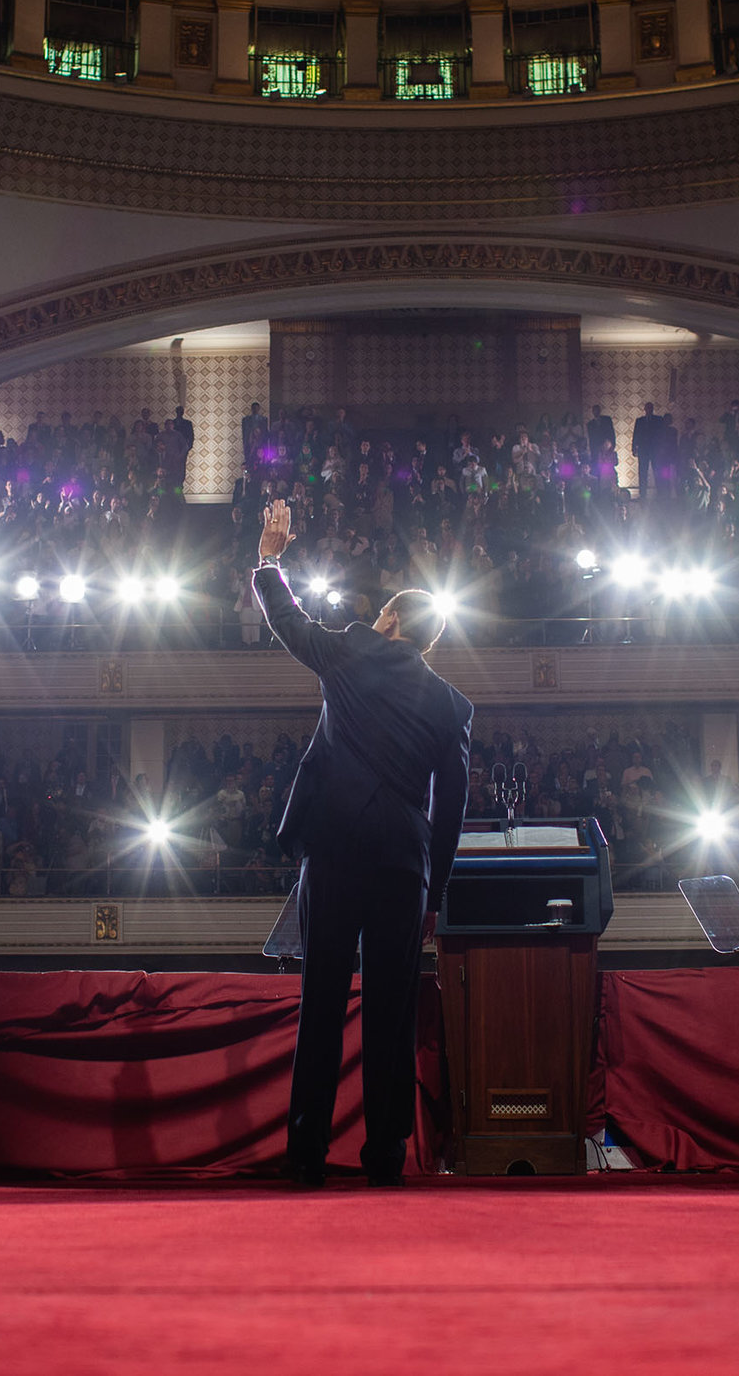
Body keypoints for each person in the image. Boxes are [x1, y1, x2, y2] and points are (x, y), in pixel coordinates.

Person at [251, 498, 471, 1189]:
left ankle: (306, 1156)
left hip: (337, 850)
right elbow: (452, 812)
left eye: (382, 613)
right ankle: (385, 1160)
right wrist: (434, 894)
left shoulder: (349, 649)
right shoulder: (451, 705)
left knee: (321, 1004)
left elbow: (287, 622)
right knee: (392, 1014)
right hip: (404, 866)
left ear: (393, 621)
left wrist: (269, 562)